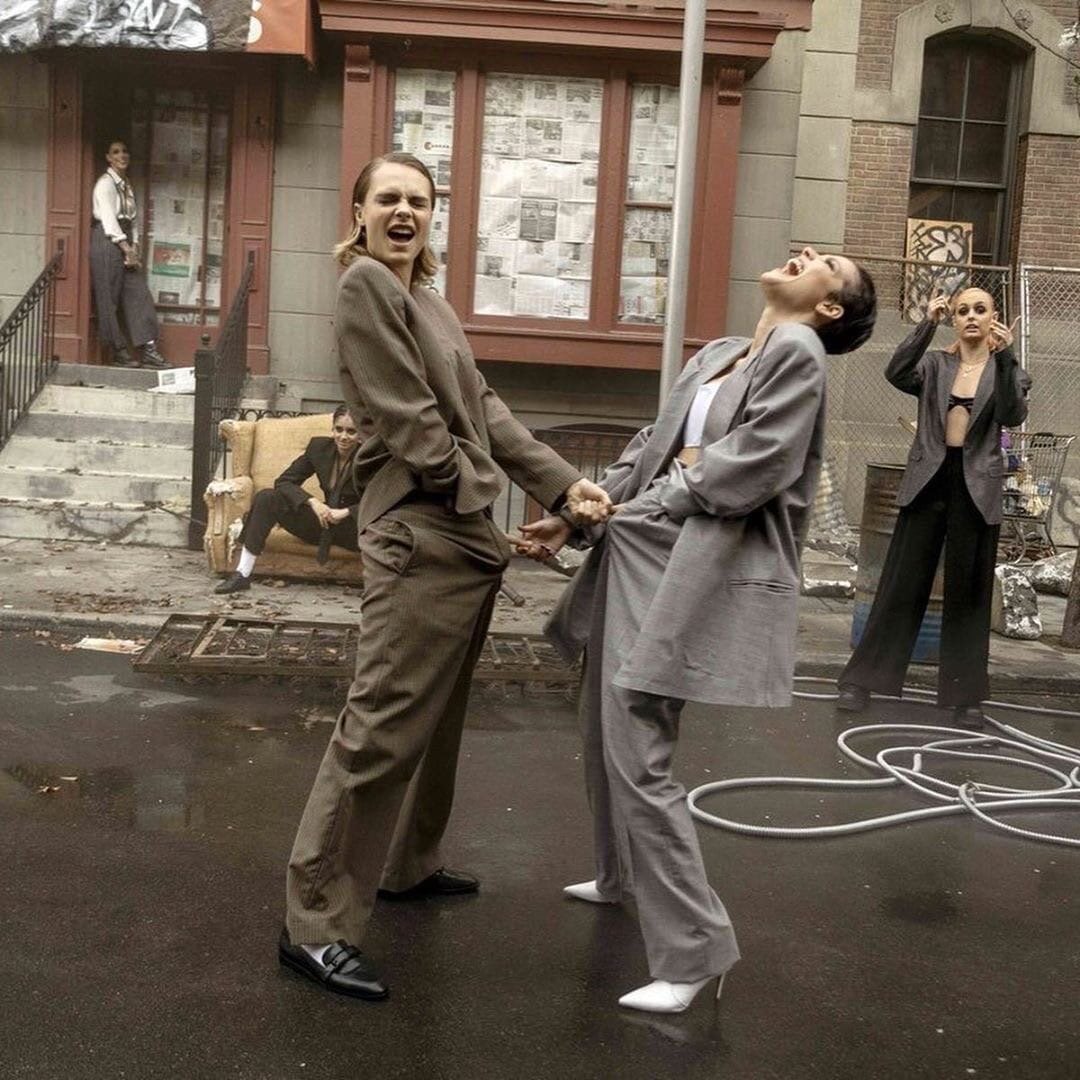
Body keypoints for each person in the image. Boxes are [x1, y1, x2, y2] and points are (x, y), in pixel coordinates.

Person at [278, 151, 612, 1001]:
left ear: (433, 216)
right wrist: (478, 493)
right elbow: (411, 419)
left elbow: (485, 408)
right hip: (422, 528)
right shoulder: (366, 286)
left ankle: (406, 865)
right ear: (358, 213)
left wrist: (563, 485)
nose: (404, 212)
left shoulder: (428, 299)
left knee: (436, 719)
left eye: (418, 201)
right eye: (387, 199)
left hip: (455, 532)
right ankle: (314, 923)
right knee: (381, 726)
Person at [518, 247, 878, 1014]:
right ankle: (618, 875)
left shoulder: (800, 351)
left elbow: (755, 463)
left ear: (829, 308)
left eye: (827, 263)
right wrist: (572, 515)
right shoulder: (721, 352)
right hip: (640, 541)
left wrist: (652, 505)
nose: (806, 253)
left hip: (687, 555)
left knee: (635, 738)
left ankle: (695, 951)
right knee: (601, 722)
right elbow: (651, 448)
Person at [836, 286, 1029, 727]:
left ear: (994, 317)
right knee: (901, 583)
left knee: (970, 594)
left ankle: (966, 698)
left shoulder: (1009, 370)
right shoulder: (934, 365)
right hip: (928, 479)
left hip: (976, 485)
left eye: (980, 309)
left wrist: (1005, 356)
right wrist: (927, 323)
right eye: (962, 311)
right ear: (954, 320)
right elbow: (896, 371)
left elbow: (1012, 414)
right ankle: (861, 681)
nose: (971, 316)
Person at [214, 405, 363, 595]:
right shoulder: (319, 448)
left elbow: (380, 501)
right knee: (267, 498)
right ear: (332, 429)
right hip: (323, 522)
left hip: (355, 529)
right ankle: (243, 574)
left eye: (351, 431)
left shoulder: (370, 457)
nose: (343, 437)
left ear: (360, 434)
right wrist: (313, 502)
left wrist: (346, 512)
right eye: (339, 429)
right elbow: (284, 481)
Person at [90, 139, 169, 370]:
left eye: (125, 151)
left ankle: (149, 349)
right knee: (109, 297)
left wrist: (134, 247)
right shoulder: (105, 184)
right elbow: (109, 219)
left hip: (124, 239)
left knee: (139, 293)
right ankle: (118, 351)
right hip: (107, 240)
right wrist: (125, 247)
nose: (122, 155)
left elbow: (132, 219)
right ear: (108, 157)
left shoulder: (126, 184)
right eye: (116, 152)